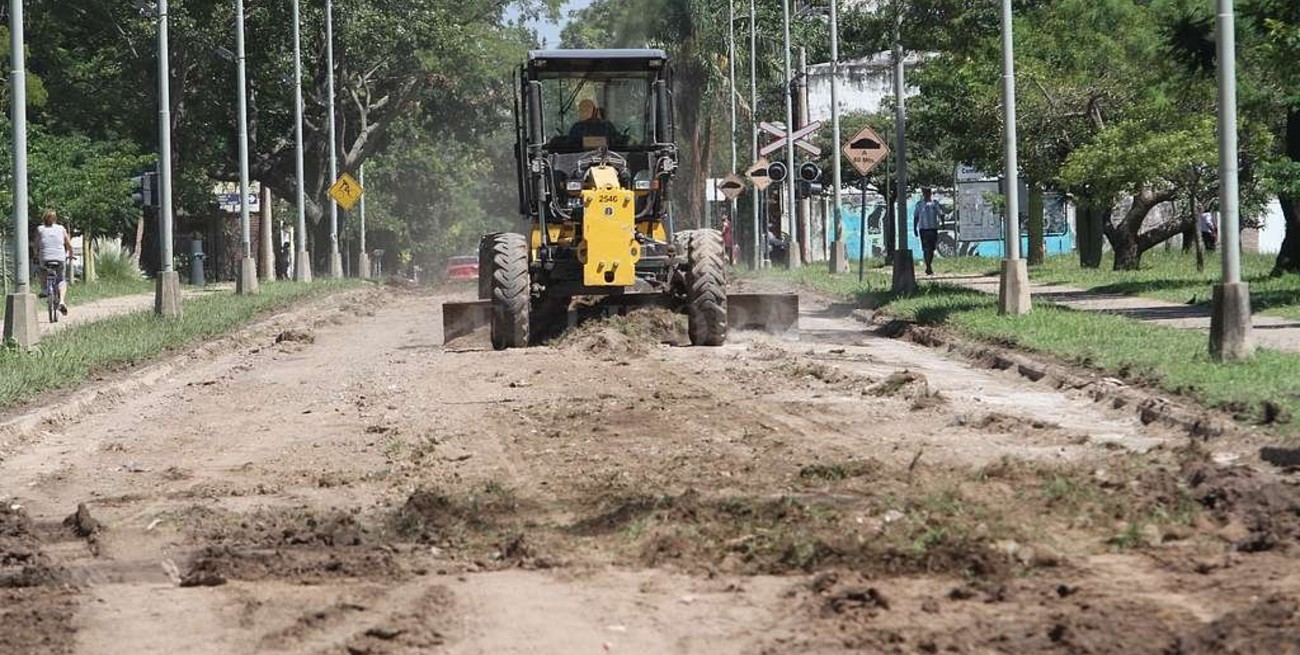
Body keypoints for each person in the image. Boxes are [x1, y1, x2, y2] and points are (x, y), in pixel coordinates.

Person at [35, 209, 74, 315]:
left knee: (41, 270)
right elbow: (69, 245)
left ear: (44, 219)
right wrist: (71, 255)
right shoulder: (61, 229)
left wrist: (35, 255)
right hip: (60, 259)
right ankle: (61, 301)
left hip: (45, 259)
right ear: (55, 219)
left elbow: (36, 245)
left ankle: (44, 289)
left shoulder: (40, 229)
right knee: (61, 279)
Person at [913, 188, 943, 276]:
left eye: (928, 193)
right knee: (926, 249)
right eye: (925, 193)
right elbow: (916, 217)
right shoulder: (919, 204)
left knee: (932, 249)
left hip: (933, 228)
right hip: (923, 229)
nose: (927, 194)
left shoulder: (934, 203)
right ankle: (928, 266)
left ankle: (929, 264)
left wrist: (943, 223)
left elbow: (940, 214)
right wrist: (915, 228)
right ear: (923, 194)